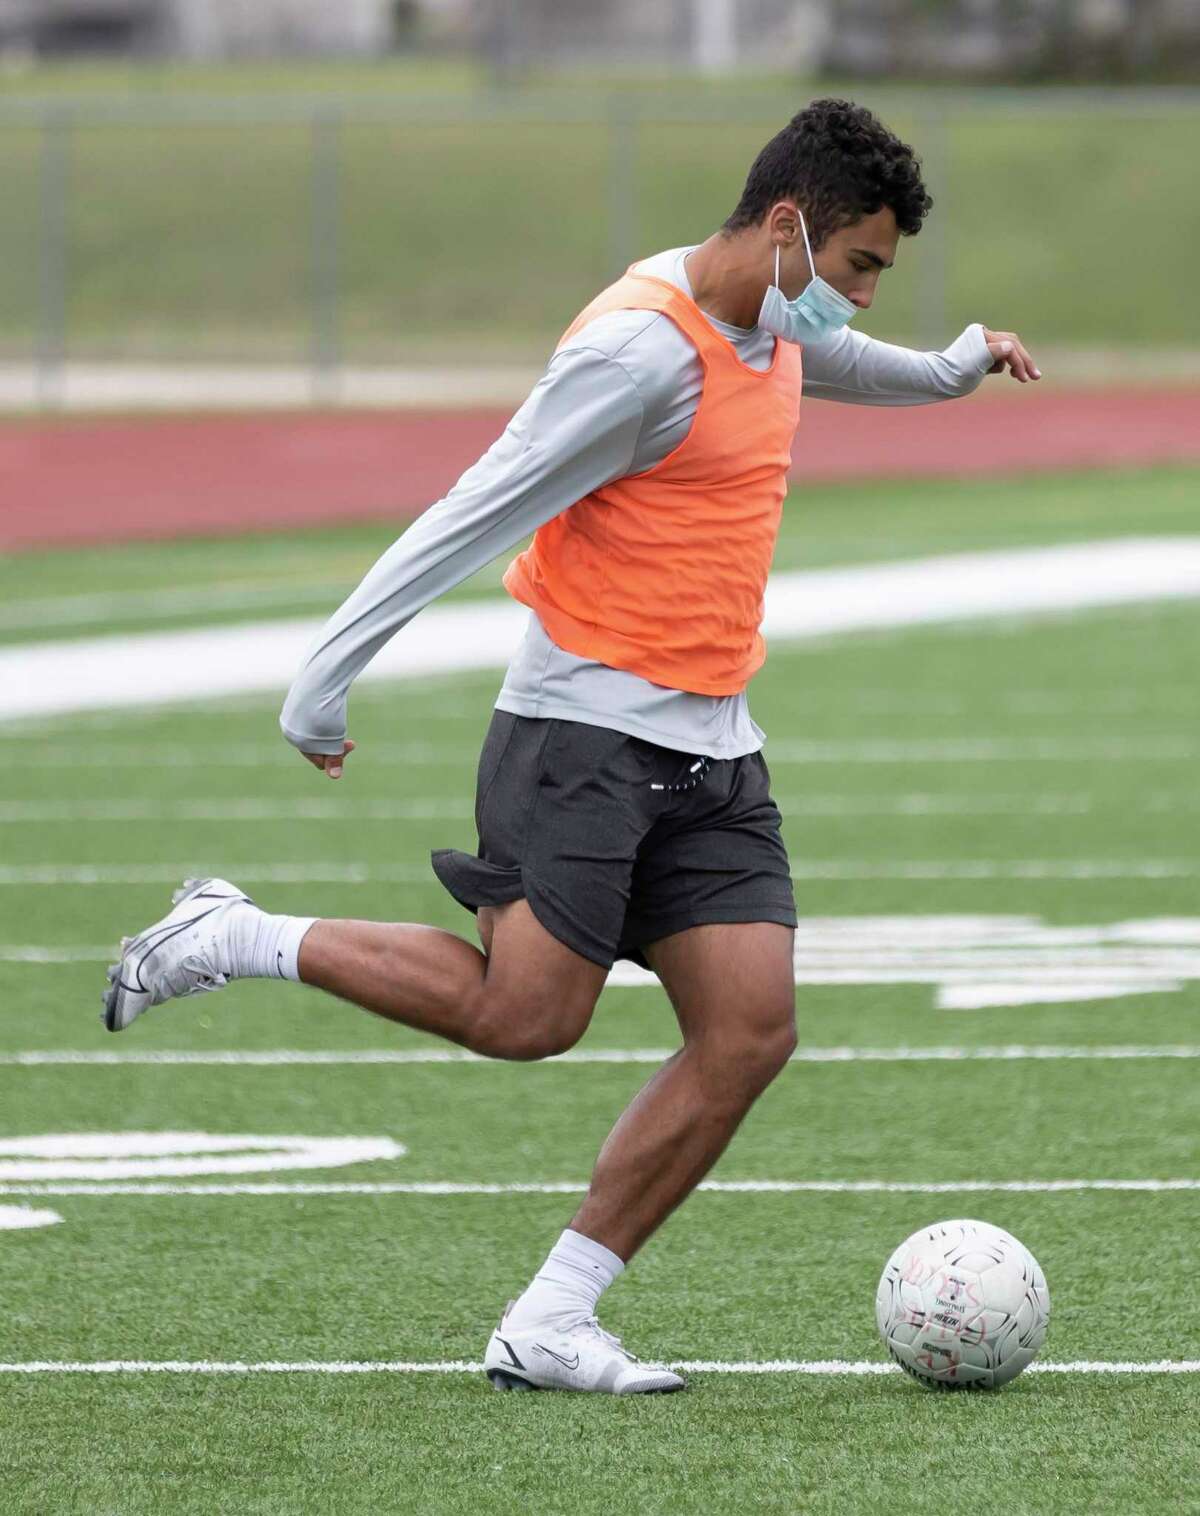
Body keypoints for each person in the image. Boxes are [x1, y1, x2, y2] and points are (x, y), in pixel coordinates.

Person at [101, 98, 1039, 1395]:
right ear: (785, 230)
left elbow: (829, 363)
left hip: (714, 747)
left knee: (750, 1031)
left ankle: (551, 1320)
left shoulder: (766, 314)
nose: (865, 299)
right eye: (860, 267)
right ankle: (233, 933)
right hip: (582, 735)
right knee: (527, 1016)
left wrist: (947, 366)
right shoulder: (633, 357)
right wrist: (322, 676)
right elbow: (471, 509)